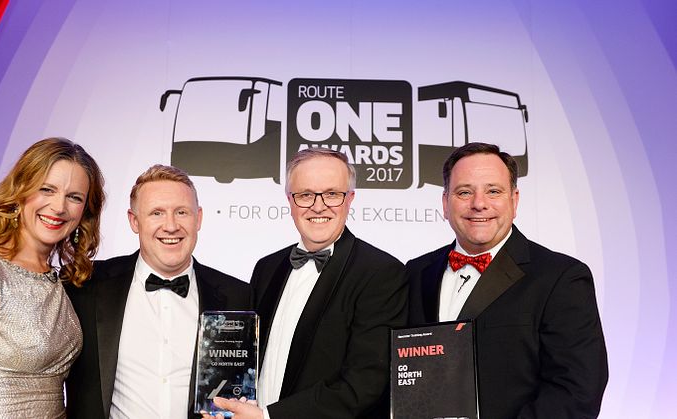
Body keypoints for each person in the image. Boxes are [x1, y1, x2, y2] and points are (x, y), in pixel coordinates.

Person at [406, 142, 608, 418]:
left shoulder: (561, 277)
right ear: (445, 202)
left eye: (494, 191)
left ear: (514, 201)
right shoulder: (416, 273)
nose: (479, 204)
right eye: (464, 192)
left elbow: (576, 391)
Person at [210, 148, 407, 419]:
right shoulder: (267, 268)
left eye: (332, 194)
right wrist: (222, 406)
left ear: (350, 199)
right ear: (290, 200)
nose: (318, 206)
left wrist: (269, 417)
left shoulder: (380, 273)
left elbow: (365, 383)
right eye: (305, 195)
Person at [0, 138, 105, 418]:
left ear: (85, 210)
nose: (59, 207)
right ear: (21, 191)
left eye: (74, 197)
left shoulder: (60, 281)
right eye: (46, 190)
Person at [65, 164, 250, 419]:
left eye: (182, 212)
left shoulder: (238, 296)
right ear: (134, 221)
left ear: (199, 218)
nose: (171, 226)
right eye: (156, 213)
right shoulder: (85, 285)